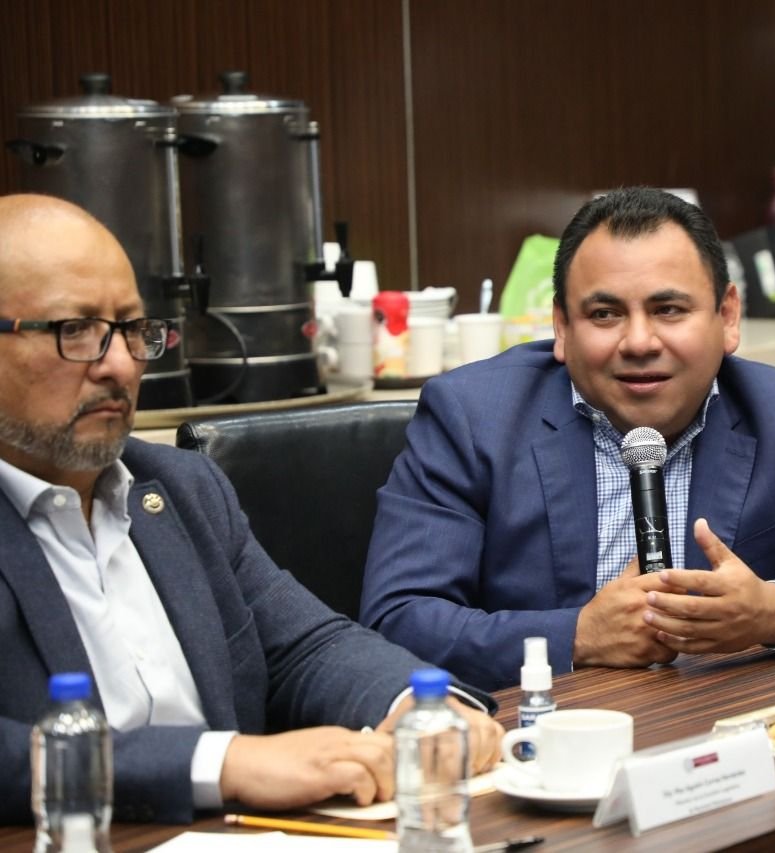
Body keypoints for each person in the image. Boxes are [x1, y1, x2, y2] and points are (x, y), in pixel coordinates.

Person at [0, 194, 504, 825]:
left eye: (131, 329)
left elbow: (303, 647)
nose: (121, 365)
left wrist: (413, 705)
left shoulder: (179, 487)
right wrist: (222, 764)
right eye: (75, 330)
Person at [361, 187, 775, 691]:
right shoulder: (472, 416)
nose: (640, 342)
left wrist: (773, 611)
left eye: (668, 309)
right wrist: (579, 635)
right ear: (561, 327)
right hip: (549, 730)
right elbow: (399, 618)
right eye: (604, 314)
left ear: (727, 316)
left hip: (724, 721)